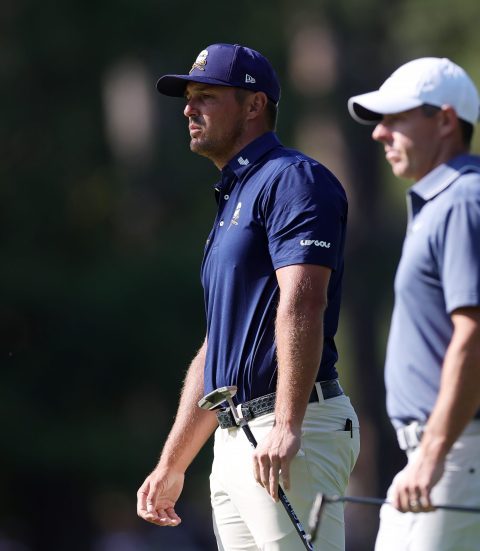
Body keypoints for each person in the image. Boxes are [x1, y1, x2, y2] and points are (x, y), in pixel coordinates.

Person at [136, 43, 360, 550]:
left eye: (207, 96)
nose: (189, 109)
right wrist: (173, 463)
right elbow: (219, 344)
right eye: (188, 98)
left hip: (289, 430)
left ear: (255, 105)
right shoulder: (237, 193)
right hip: (236, 437)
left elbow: (304, 303)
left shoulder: (293, 179)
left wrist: (287, 424)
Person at [348, 57, 480, 550]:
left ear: (445, 121)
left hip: (454, 452)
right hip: (436, 454)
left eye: (395, 118)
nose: (379, 133)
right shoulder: (442, 202)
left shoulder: (464, 200)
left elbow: (474, 335)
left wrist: (434, 454)